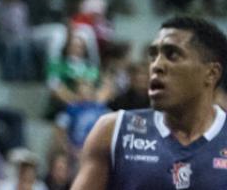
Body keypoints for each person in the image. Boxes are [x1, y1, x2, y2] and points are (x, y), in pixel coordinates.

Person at [71, 16, 227, 189]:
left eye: (172, 55)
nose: (156, 65)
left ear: (211, 73)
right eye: (154, 55)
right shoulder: (113, 131)